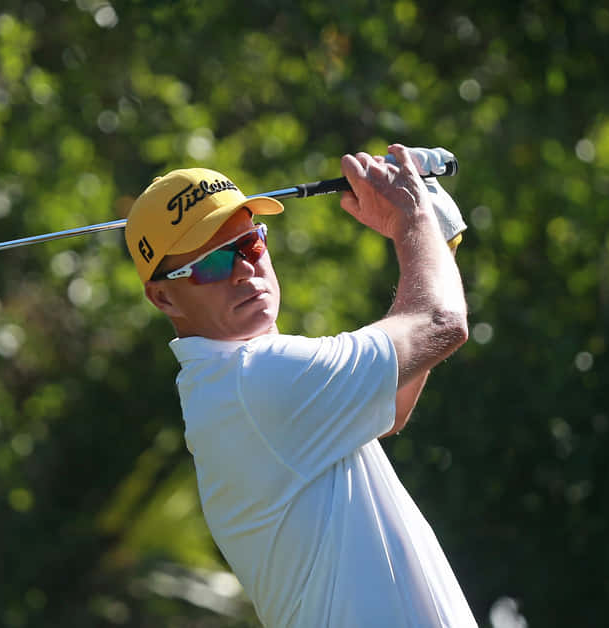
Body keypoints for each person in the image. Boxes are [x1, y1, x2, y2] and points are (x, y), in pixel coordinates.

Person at [124, 144, 477, 627]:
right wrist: (413, 219)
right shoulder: (252, 380)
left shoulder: (233, 386)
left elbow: (391, 408)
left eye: (251, 244)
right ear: (163, 296)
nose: (245, 268)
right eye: (211, 264)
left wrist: (439, 243)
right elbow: (441, 321)